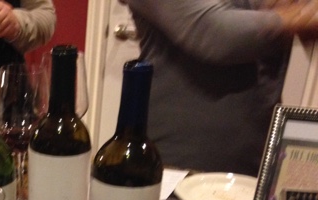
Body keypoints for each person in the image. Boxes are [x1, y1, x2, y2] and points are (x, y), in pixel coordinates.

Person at [123, 0, 318, 176]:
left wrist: (297, 14)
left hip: (255, 157)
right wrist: (293, 18)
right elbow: (214, 33)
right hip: (177, 164)